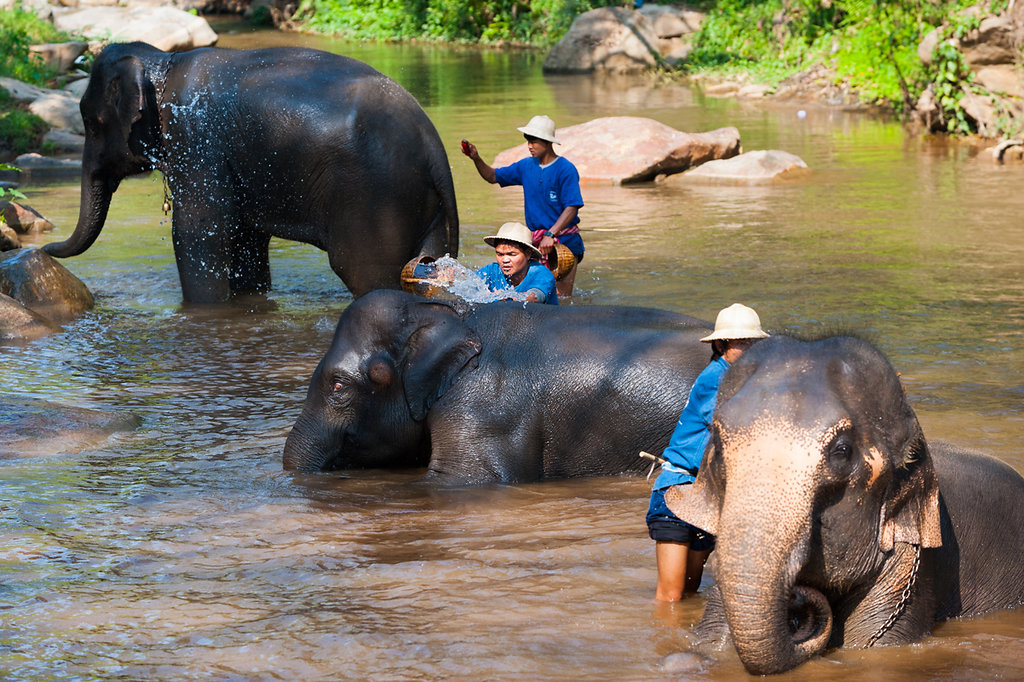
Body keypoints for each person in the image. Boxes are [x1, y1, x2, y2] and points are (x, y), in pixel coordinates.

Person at [647, 303, 769, 601]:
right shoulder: (716, 378)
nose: (750, 349)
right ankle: (666, 644)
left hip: (707, 497)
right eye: (742, 343)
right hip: (678, 492)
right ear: (721, 344)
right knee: (672, 596)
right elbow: (730, 428)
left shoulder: (743, 380)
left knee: (690, 591)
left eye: (753, 342)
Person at [461, 115, 584, 299]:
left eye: (534, 141)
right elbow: (493, 177)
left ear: (548, 142)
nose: (529, 145)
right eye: (527, 140)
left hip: (563, 241)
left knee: (562, 297)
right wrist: (476, 158)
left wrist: (551, 234)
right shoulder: (526, 166)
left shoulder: (565, 169)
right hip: (536, 241)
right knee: (534, 289)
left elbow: (572, 207)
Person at [477, 222, 558, 304]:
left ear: (528, 253)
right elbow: (468, 289)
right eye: (500, 254)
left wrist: (499, 296)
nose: (505, 260)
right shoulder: (491, 271)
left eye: (512, 254)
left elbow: (535, 297)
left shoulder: (542, 274)